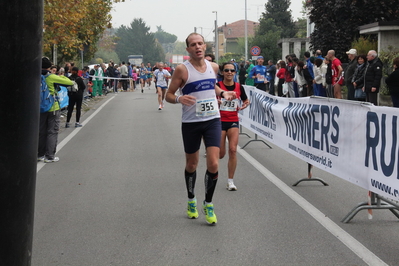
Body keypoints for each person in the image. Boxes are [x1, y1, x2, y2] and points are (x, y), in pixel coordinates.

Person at [165, 33, 237, 225]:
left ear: (205, 46)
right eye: (193, 44)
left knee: (214, 163)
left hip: (213, 119)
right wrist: (180, 98)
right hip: (191, 123)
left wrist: (223, 92)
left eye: (200, 43)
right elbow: (169, 95)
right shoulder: (182, 70)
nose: (197, 47)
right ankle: (191, 200)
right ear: (188, 49)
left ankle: (208, 203)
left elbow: (212, 86)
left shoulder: (213, 67)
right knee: (192, 164)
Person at [218, 62, 250, 191]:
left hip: (233, 121)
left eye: (232, 70)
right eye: (227, 70)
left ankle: (230, 181)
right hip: (219, 121)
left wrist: (246, 104)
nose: (229, 73)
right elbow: (209, 99)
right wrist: (217, 101)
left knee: (233, 149)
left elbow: (245, 100)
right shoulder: (217, 86)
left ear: (235, 72)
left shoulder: (239, 87)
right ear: (222, 72)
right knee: (220, 154)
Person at [38, 57, 73, 163]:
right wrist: (59, 76)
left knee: (41, 131)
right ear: (49, 67)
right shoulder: (51, 77)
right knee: (52, 131)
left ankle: (40, 154)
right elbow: (69, 82)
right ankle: (50, 156)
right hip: (53, 107)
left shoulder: (35, 76)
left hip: (39, 108)